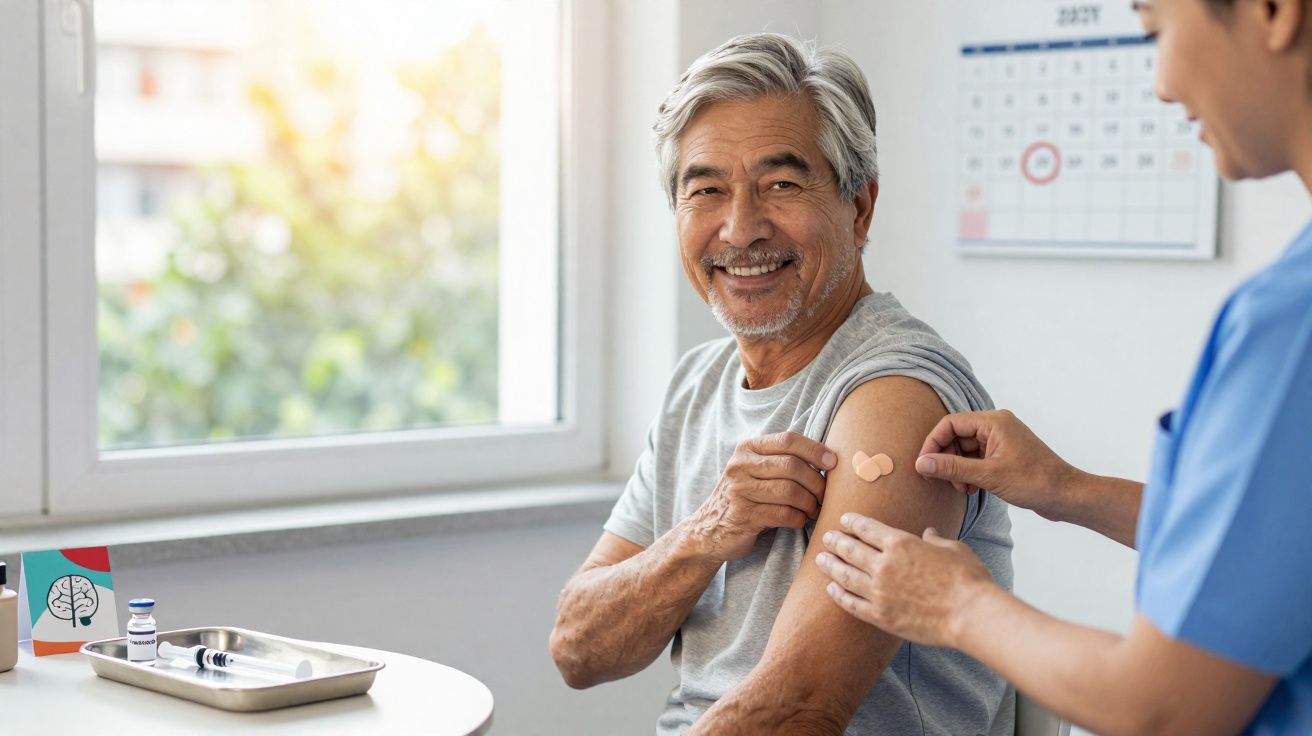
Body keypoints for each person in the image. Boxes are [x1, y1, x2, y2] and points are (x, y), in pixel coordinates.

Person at [815, 1, 1312, 733]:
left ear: (1273, 11)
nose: (1162, 86)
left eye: (1157, 31)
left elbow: (1162, 709)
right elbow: (1269, 545)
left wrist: (959, 605)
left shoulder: (1291, 328)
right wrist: (1066, 489)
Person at [548, 33, 1015, 734]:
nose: (741, 230)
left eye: (781, 185)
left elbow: (799, 709)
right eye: (706, 190)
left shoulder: (895, 396)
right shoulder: (696, 385)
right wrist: (704, 534)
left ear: (859, 208)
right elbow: (579, 650)